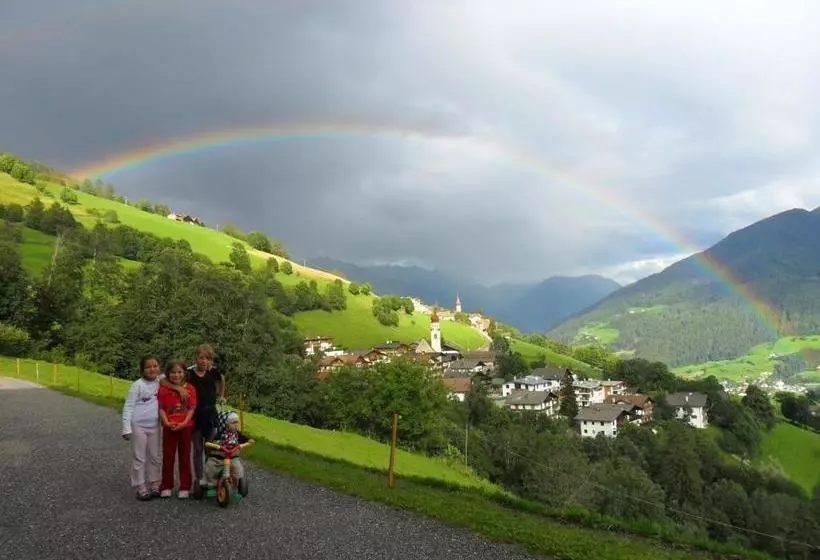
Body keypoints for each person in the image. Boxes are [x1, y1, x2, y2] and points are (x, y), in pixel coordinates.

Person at [161, 344, 226, 486]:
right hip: (194, 417)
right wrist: (178, 388)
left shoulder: (213, 372)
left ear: (211, 360)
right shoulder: (189, 373)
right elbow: (162, 380)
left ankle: (210, 477)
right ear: (195, 358)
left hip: (211, 416)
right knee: (197, 449)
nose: (204, 361)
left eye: (207, 358)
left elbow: (222, 379)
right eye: (201, 358)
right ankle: (199, 478)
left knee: (211, 449)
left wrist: (221, 395)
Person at [122, 355, 162, 501]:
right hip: (138, 426)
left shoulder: (160, 381)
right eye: (148, 367)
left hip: (155, 426)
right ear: (142, 370)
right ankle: (140, 487)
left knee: (155, 456)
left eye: (155, 366)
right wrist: (126, 428)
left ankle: (155, 484)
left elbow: (179, 370)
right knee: (139, 457)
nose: (152, 369)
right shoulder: (137, 385)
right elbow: (128, 407)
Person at [157, 359, 197, 499]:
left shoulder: (190, 388)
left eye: (179, 372)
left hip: (185, 428)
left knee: (184, 457)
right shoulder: (164, 389)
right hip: (169, 427)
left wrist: (185, 422)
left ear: (185, 373)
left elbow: (192, 408)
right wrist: (166, 422)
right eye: (173, 372)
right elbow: (161, 408)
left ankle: (185, 486)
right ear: (168, 373)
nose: (176, 375)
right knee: (168, 457)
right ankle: (166, 486)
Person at [204, 411, 254, 487]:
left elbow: (243, 438)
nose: (236, 425)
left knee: (238, 470)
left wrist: (249, 440)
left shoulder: (236, 434)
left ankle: (235, 483)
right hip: (218, 457)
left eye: (237, 422)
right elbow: (211, 442)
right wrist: (213, 444)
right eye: (233, 423)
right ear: (226, 425)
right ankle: (211, 483)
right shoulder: (219, 434)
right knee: (210, 468)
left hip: (232, 457)